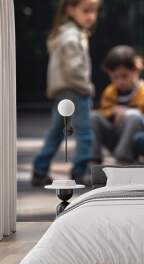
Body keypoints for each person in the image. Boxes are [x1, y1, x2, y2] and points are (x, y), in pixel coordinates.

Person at [32, 0, 101, 187]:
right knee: (85, 133)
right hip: (76, 90)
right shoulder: (72, 37)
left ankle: (39, 170)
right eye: (86, 11)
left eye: (94, 11)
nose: (91, 16)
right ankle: (80, 171)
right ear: (70, 9)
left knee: (56, 132)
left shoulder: (65, 33)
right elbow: (74, 69)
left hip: (64, 91)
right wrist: (87, 87)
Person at [91, 45, 144, 164]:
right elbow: (103, 111)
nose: (120, 81)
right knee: (93, 117)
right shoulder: (110, 91)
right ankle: (93, 159)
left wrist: (128, 113)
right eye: (115, 77)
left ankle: (123, 159)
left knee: (133, 116)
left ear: (136, 70)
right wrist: (113, 111)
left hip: (138, 141)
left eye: (124, 76)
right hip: (116, 138)